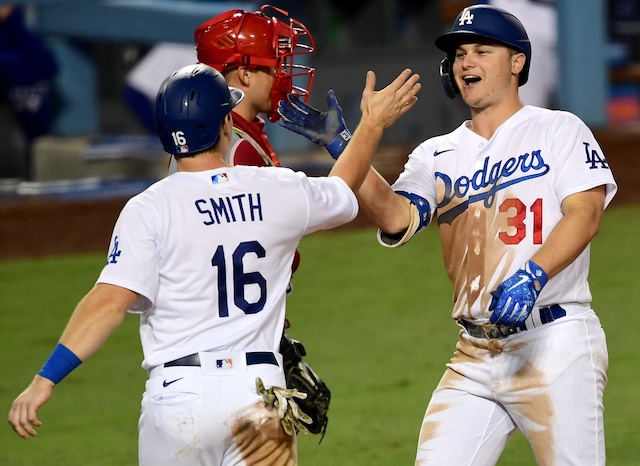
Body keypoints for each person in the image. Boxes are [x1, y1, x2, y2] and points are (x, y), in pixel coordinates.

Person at [7, 63, 420, 465]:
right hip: (259, 396)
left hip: (179, 400)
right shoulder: (275, 189)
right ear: (226, 125)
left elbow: (109, 303)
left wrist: (45, 379)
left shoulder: (148, 209)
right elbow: (342, 188)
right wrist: (370, 126)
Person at [278, 4, 617, 465]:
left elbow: (586, 213)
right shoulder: (436, 154)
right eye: (459, 54)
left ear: (517, 62)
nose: (466, 62)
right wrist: (347, 143)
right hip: (474, 354)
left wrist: (533, 274)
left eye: (481, 50)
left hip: (555, 343)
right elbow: (396, 217)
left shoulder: (558, 129)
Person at [190, 4, 353, 436]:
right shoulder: (235, 152)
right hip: (228, 352)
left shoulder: (224, 141)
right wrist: (361, 137)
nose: (286, 72)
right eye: (275, 63)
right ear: (242, 75)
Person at [0, 4, 58, 178]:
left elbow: (49, 67)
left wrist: (10, 21)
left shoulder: (22, 35)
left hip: (37, 132)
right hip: (9, 131)